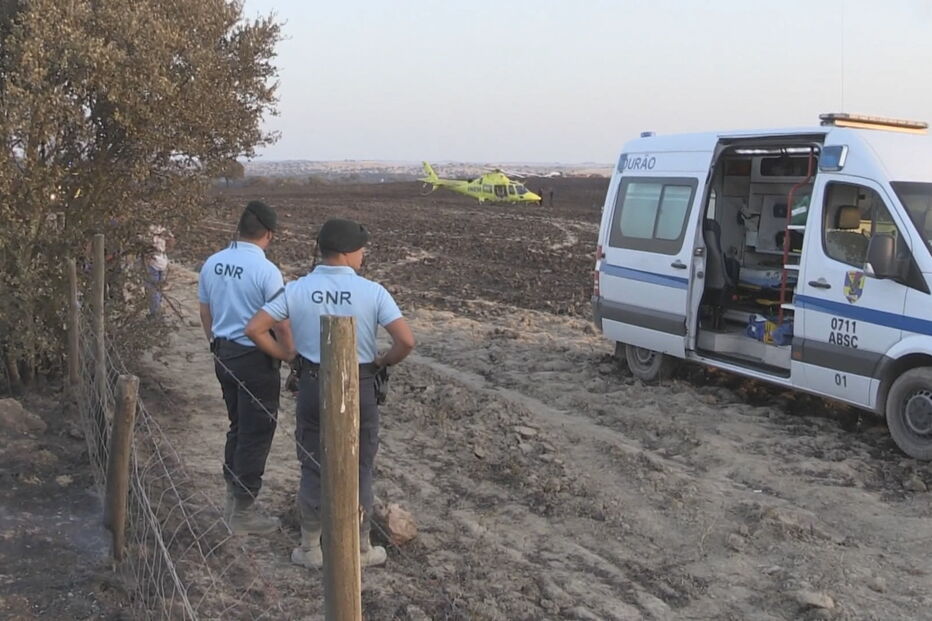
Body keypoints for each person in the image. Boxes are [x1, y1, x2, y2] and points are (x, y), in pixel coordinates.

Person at [245, 218, 415, 569]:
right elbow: (406, 341)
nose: (363, 257)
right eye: (362, 251)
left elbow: (255, 328)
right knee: (361, 466)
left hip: (312, 383)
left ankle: (310, 548)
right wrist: (383, 361)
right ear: (349, 252)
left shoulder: (297, 289)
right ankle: (360, 548)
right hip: (360, 385)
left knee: (312, 464)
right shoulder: (374, 291)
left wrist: (287, 355)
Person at [198, 200, 294, 536]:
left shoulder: (213, 263)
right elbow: (280, 322)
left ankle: (232, 498)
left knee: (237, 426)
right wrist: (290, 354)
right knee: (257, 433)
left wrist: (214, 343)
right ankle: (243, 511)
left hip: (223, 354)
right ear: (268, 234)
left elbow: (205, 311)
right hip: (255, 358)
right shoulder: (265, 271)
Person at [146, 224, 175, 317]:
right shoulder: (164, 229)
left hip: (153, 261)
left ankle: (155, 313)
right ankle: (157, 309)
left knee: (152, 288)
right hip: (162, 260)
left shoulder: (150, 229)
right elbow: (172, 242)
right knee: (158, 287)